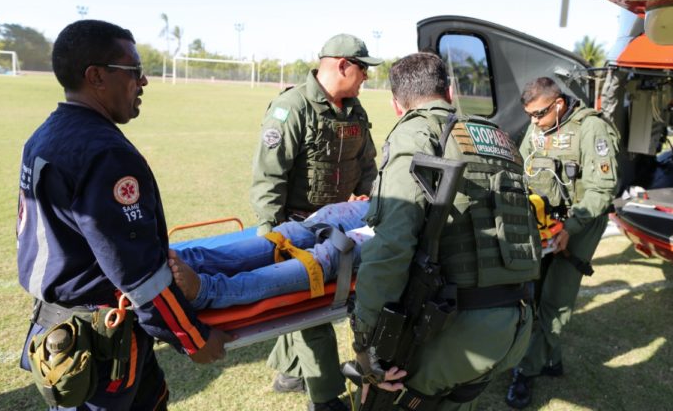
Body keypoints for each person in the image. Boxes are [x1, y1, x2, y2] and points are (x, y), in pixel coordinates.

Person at [16, 20, 232, 410]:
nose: (143, 81)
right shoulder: (105, 154)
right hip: (98, 344)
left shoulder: (45, 134)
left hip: (60, 327)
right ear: (96, 76)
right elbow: (139, 275)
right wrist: (193, 339)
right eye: (133, 70)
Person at [351, 52, 540, 410]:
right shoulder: (494, 136)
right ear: (450, 92)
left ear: (396, 104)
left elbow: (392, 246)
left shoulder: (416, 134)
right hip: (514, 324)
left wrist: (365, 343)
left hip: (453, 334)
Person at [250, 33, 381, 411]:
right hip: (297, 229)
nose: (366, 79)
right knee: (312, 311)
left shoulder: (355, 111)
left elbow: (366, 166)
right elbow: (268, 177)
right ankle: (326, 399)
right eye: (363, 70)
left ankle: (289, 370)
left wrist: (373, 206)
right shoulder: (292, 108)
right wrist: (271, 235)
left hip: (341, 228)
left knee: (313, 305)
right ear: (342, 65)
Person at [506, 77, 619, 409]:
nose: (533, 122)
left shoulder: (591, 128)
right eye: (529, 116)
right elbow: (523, 164)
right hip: (543, 222)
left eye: (538, 114)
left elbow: (601, 190)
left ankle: (525, 373)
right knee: (533, 294)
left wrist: (571, 227)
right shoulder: (539, 126)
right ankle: (550, 360)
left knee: (555, 301)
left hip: (579, 222)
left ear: (557, 105)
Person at [169, 200, 372, 309]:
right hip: (378, 204)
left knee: (332, 255)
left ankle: (205, 291)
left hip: (397, 226)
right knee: (294, 232)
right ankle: (188, 260)